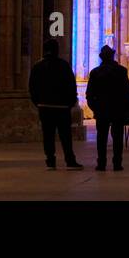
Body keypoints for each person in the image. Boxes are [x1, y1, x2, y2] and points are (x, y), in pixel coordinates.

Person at [28, 39, 82, 170]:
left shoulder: (37, 66)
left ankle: (51, 161)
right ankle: (70, 160)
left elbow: (32, 87)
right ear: (57, 50)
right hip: (62, 108)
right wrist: (70, 103)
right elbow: (71, 85)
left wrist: (38, 103)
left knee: (48, 135)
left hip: (45, 107)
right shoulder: (63, 65)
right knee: (65, 135)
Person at [86, 44, 129, 171]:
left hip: (102, 110)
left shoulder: (95, 72)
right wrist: (125, 108)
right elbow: (128, 92)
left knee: (101, 138)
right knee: (117, 137)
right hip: (118, 110)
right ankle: (117, 163)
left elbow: (89, 94)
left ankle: (101, 163)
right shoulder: (121, 71)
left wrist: (95, 108)